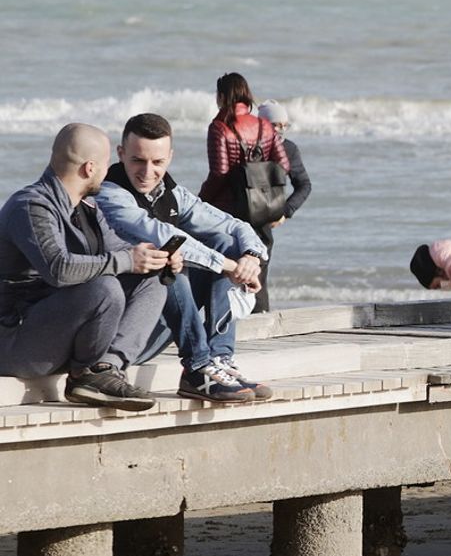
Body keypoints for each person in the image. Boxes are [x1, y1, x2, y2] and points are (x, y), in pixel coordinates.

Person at [95, 113, 272, 402]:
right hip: (126, 331)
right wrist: (229, 267)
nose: (147, 172)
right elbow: (160, 235)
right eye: (138, 160)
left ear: (170, 157)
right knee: (166, 258)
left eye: (158, 162)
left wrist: (251, 257)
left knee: (226, 242)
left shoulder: (171, 193)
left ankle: (219, 360)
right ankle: (197, 367)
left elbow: (232, 225)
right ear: (121, 153)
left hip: (165, 323)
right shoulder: (110, 195)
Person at [0, 123, 169, 410]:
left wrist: (155, 258)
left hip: (55, 332)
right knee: (105, 288)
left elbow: (118, 250)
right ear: (90, 168)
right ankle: (84, 373)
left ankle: (104, 368)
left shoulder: (86, 207)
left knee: (152, 281)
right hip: (17, 338)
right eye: (106, 165)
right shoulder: (30, 206)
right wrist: (127, 260)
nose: (108, 171)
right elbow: (59, 268)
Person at [199, 73, 291, 310]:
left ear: (221, 96)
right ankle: (263, 322)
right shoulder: (263, 125)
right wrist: (260, 180)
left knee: (228, 270)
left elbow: (219, 173)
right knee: (258, 270)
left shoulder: (220, 127)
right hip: (262, 210)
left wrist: (201, 203)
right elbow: (283, 165)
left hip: (230, 211)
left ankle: (227, 324)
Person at [255, 100, 313, 313]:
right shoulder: (247, 144)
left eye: (284, 125)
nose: (280, 130)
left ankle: (261, 326)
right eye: (275, 124)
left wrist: (285, 212)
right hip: (237, 217)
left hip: (264, 223)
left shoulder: (289, 149)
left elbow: (304, 185)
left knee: (258, 277)